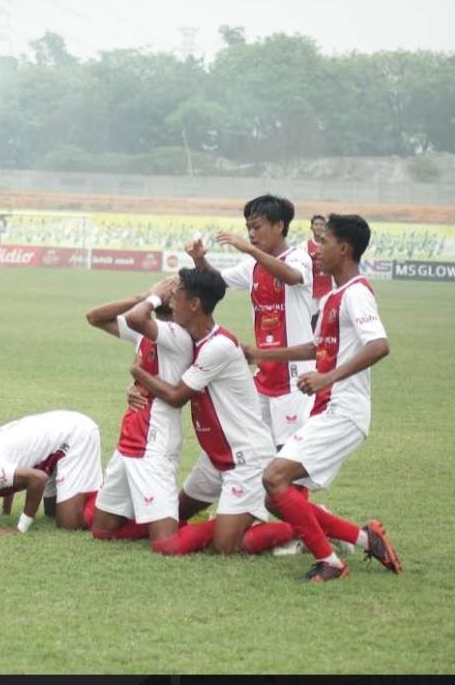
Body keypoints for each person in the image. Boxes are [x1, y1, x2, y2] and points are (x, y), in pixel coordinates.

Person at [245, 214, 401, 582]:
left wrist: (329, 376)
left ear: (344, 249)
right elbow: (318, 348)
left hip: (344, 410)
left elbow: (379, 345)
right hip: (327, 408)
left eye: (324, 242)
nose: (317, 250)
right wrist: (263, 354)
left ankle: (329, 561)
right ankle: (366, 539)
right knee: (275, 493)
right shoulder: (333, 295)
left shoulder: (357, 293)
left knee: (274, 478)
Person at [129, 267, 278, 555]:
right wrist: (133, 387)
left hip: (245, 456)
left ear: (195, 304)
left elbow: (175, 397)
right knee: (178, 513)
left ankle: (298, 529)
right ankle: (237, 516)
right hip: (215, 457)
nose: (171, 300)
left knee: (226, 547)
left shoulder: (217, 347)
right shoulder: (188, 338)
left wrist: (138, 374)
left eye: (177, 295)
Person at [185, 195, 317, 453]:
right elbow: (217, 281)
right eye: (248, 229)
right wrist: (200, 260)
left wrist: (249, 249)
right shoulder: (253, 266)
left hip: (295, 377)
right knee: (256, 450)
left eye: (257, 227)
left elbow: (292, 277)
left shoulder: (298, 258)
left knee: (287, 456)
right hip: (265, 374)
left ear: (279, 226)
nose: (251, 234)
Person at [85, 275, 200, 549]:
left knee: (166, 543)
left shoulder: (175, 335)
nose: (169, 291)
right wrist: (142, 296)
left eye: (174, 290)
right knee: (101, 530)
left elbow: (138, 319)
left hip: (154, 444)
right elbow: (94, 317)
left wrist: (151, 299)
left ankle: (222, 527)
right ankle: (162, 517)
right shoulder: (147, 330)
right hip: (129, 441)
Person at [307, 214, 333, 324]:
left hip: (329, 288)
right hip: (312, 289)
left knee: (326, 318)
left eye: (322, 225)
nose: (319, 227)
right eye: (316, 224)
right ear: (311, 227)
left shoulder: (332, 245)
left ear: (325, 227)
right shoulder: (305, 245)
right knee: (311, 318)